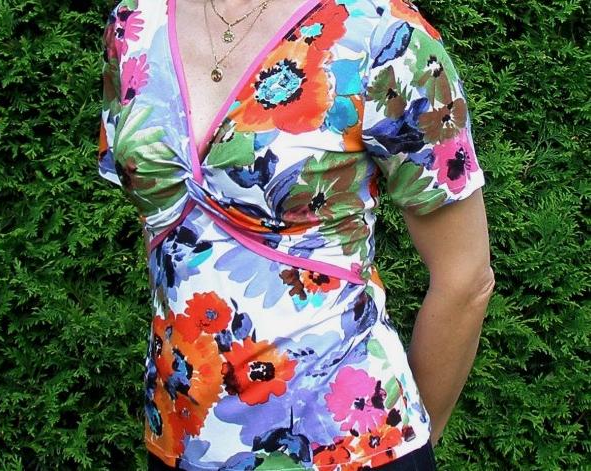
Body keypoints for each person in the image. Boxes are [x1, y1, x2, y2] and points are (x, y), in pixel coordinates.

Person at [98, 0, 495, 469]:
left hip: (351, 449)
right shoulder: (135, 25)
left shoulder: (383, 35)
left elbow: (466, 279)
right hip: (180, 440)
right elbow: (170, 232)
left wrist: (409, 443)